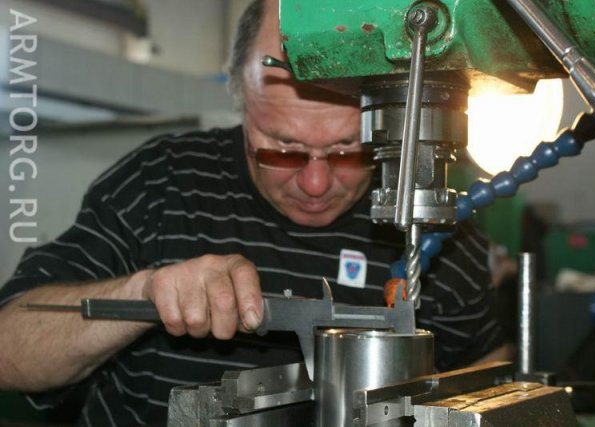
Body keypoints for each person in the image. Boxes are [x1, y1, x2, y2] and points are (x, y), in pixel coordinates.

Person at [0, 0, 506, 425]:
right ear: (241, 102)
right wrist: (144, 291)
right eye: (282, 149)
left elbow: (494, 370)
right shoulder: (158, 182)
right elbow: (10, 347)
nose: (315, 184)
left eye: (349, 152)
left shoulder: (428, 223)